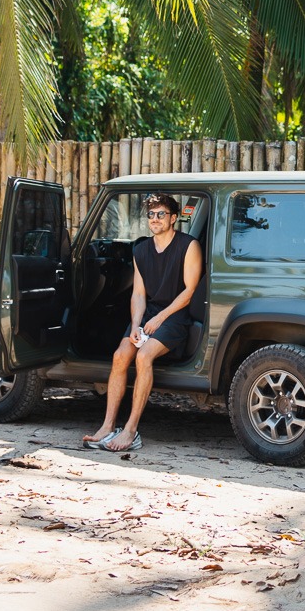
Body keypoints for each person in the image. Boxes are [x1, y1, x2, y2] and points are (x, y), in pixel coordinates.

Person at [82, 193, 203, 452]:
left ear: (173, 218)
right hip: (149, 315)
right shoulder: (141, 249)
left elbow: (189, 291)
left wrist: (160, 318)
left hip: (175, 315)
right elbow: (138, 293)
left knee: (143, 356)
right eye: (151, 214)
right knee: (120, 356)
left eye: (161, 214)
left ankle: (131, 430)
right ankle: (107, 426)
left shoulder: (189, 245)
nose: (155, 219)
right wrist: (137, 324)